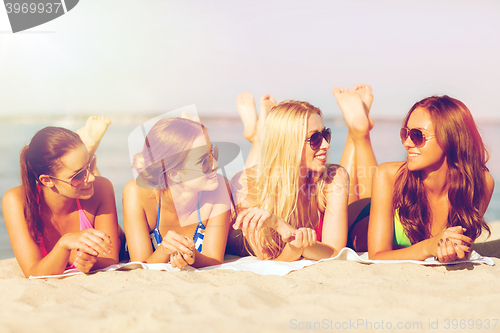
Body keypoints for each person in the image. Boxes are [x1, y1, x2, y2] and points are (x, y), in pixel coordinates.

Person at [230, 85, 377, 261]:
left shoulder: (334, 178)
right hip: (255, 200)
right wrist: (297, 243)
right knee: (257, 172)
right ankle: (257, 138)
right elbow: (271, 260)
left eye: (326, 135)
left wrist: (283, 228)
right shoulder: (248, 185)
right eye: (315, 139)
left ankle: (259, 134)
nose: (326, 145)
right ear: (290, 143)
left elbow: (334, 253)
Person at [368, 95, 494, 262]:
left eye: (417, 135)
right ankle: (359, 133)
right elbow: (376, 256)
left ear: (450, 138)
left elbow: (457, 250)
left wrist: (447, 250)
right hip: (357, 223)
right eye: (405, 133)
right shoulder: (388, 175)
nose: (407, 142)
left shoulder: (480, 184)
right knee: (358, 194)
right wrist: (429, 246)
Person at [3, 117, 120, 277]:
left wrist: (88, 261)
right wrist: (64, 245)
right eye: (78, 175)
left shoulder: (102, 188)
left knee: (121, 234)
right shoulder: (16, 201)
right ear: (47, 180)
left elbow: (111, 260)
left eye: (90, 165)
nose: (91, 177)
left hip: (112, 227)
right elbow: (33, 273)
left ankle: (87, 152)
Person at [123, 117, 232, 269]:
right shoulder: (137, 194)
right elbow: (139, 265)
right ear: (174, 174)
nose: (217, 165)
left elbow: (214, 259)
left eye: (213, 153)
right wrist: (164, 250)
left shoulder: (220, 188)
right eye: (204, 161)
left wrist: (192, 257)